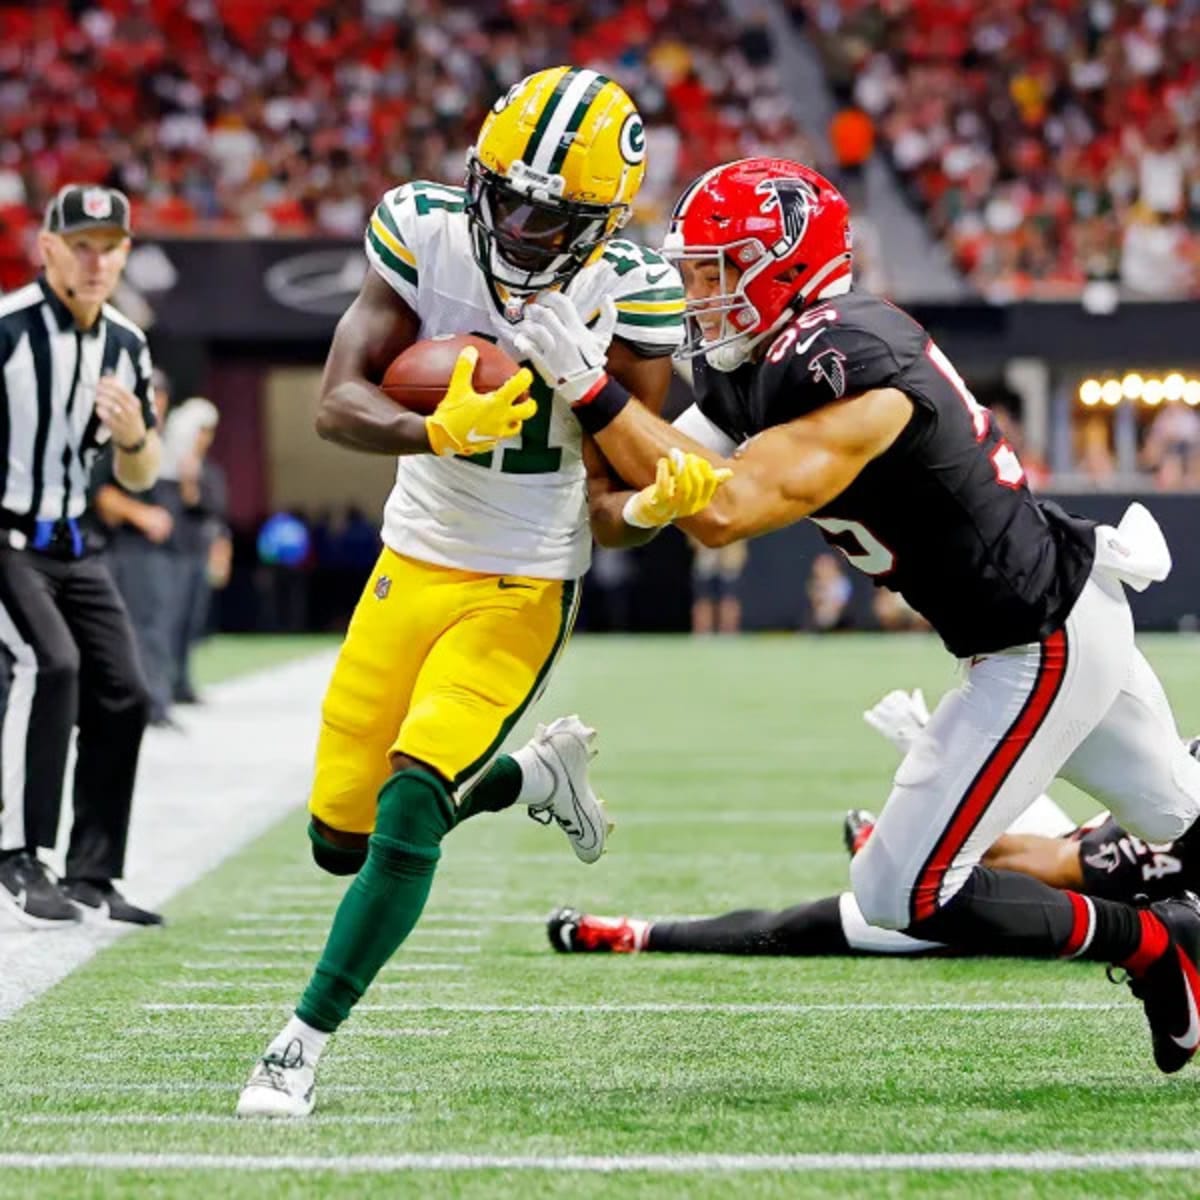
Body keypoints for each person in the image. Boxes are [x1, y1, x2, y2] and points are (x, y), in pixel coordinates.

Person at [514, 156, 1200, 1075]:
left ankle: (1158, 948)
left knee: (898, 890)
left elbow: (721, 510)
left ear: (790, 264)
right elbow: (649, 500)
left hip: (1040, 639)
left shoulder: (843, 358)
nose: (699, 292)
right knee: (1177, 808)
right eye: (694, 269)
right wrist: (605, 453)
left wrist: (594, 393)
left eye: (719, 269)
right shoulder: (755, 362)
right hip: (1056, 608)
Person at [236, 67, 724, 1118]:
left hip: (523, 578)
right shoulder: (425, 227)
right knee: (340, 842)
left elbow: (610, 490)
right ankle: (530, 778)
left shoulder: (631, 292)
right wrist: (431, 429)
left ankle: (300, 1041)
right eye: (503, 194)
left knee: (414, 798)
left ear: (603, 221)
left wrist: (641, 511)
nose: (515, 222)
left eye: (550, 214)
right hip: (409, 556)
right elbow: (336, 404)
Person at [549, 688, 1200, 957]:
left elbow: (1038, 863)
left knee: (813, 924)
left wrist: (907, 850)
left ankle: (634, 934)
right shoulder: (1171, 805)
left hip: (1028, 902)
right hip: (1074, 861)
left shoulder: (1170, 837)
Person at [0, 183, 164, 928]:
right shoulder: (7, 330)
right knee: (49, 664)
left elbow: (141, 473)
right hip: (6, 539)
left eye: (110, 249)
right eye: (82, 247)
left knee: (124, 688)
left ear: (125, 255)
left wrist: (132, 438)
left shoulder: (128, 344)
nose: (96, 262)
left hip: (74, 541)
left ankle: (93, 871)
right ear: (48, 248)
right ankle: (17, 853)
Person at [92, 366, 177, 727]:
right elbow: (102, 493)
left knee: (155, 627)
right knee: (132, 631)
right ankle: (140, 706)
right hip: (121, 549)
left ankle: (154, 703)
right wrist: (144, 516)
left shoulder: (156, 443)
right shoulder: (112, 440)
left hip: (149, 552)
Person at [157, 396, 227, 704]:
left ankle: (182, 682)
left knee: (191, 622)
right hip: (172, 555)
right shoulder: (169, 471)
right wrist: (187, 479)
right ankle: (165, 685)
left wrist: (220, 553)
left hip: (198, 554)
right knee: (168, 621)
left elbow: (216, 514)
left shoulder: (210, 472)